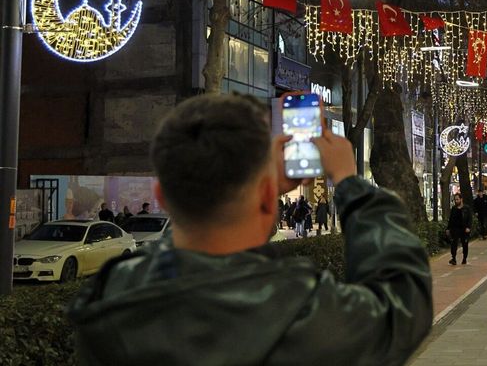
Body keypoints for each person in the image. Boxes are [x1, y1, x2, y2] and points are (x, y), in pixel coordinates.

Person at [68, 93, 432, 365]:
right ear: (266, 194)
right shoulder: (305, 310)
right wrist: (350, 184)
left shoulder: (108, 302)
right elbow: (403, 303)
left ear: (162, 197)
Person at [446, 193, 473, 265]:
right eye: (455, 200)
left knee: (465, 244)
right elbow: (451, 219)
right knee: (454, 243)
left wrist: (468, 227)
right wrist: (448, 228)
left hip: (464, 229)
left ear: (461, 199)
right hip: (455, 228)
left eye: (457, 199)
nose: (456, 201)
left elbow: (470, 219)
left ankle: (464, 258)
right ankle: (453, 258)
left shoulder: (466, 208)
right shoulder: (454, 209)